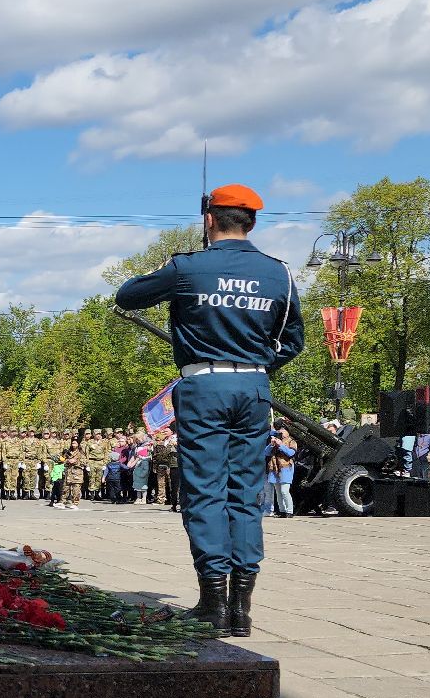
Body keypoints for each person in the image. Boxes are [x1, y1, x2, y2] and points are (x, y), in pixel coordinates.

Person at [116, 183, 304, 638]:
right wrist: (256, 366)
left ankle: (214, 603)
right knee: (246, 493)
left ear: (209, 220)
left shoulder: (187, 268)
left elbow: (127, 296)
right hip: (254, 386)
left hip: (204, 386)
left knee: (204, 492)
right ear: (253, 222)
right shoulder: (279, 273)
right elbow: (293, 340)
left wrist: (169, 268)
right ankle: (242, 608)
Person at [266, 424, 297, 518]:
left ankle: (290, 511)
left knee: (284, 491)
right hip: (275, 468)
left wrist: (281, 445)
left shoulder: (292, 441)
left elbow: (291, 453)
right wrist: (271, 445)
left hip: (286, 468)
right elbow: (266, 452)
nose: (281, 431)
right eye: (279, 430)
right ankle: (282, 511)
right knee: (278, 491)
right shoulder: (275, 440)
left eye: (283, 429)